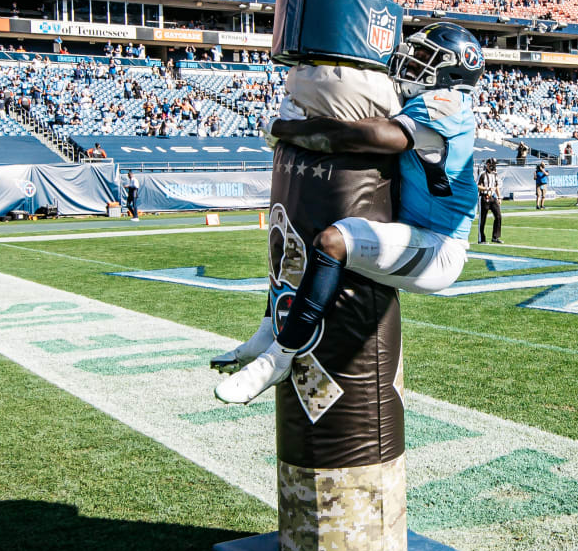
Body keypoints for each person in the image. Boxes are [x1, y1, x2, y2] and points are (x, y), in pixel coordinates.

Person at [214, 22, 482, 404]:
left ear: (452, 71)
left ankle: (279, 357)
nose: (411, 60)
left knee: (333, 241)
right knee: (303, 230)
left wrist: (286, 127)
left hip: (439, 248)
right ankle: (268, 327)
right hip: (412, 232)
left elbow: (360, 136)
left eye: (425, 57)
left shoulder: (449, 104)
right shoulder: (419, 102)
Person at [477, 158, 502, 244]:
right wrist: (487, 188)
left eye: (494, 165)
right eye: (491, 165)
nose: (493, 167)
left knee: (498, 216)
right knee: (483, 218)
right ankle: (481, 239)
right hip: (484, 197)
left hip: (492, 197)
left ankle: (495, 237)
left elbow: (496, 186)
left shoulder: (495, 174)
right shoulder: (482, 174)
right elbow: (478, 186)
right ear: (487, 164)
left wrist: (499, 197)